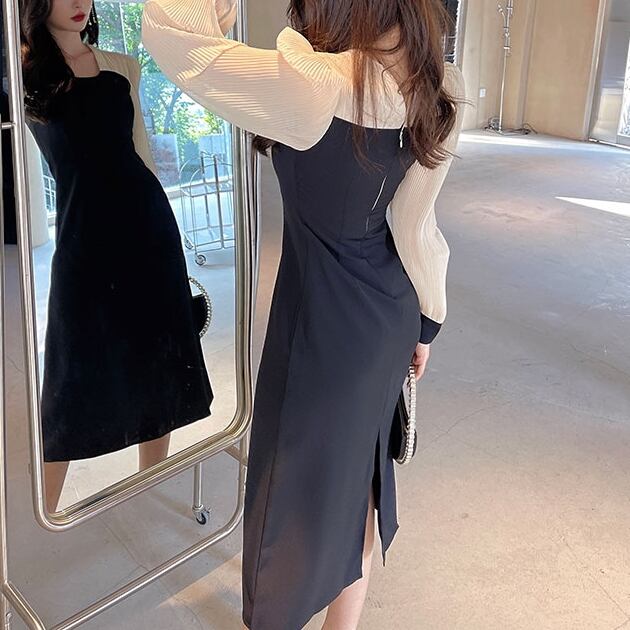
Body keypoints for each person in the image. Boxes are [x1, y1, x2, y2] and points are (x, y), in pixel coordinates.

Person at [142, 0, 466, 628]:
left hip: (320, 324)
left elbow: (172, 33)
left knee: (285, 502)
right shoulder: (435, 85)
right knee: (359, 482)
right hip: (386, 318)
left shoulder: (312, 82)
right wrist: (426, 324)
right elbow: (414, 224)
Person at [21, 0, 214, 512]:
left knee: (159, 363)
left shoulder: (122, 67)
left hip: (146, 230)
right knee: (70, 377)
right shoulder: (26, 74)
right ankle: (43, 511)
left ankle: (150, 484)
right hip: (82, 241)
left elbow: (140, 152)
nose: (77, 2)